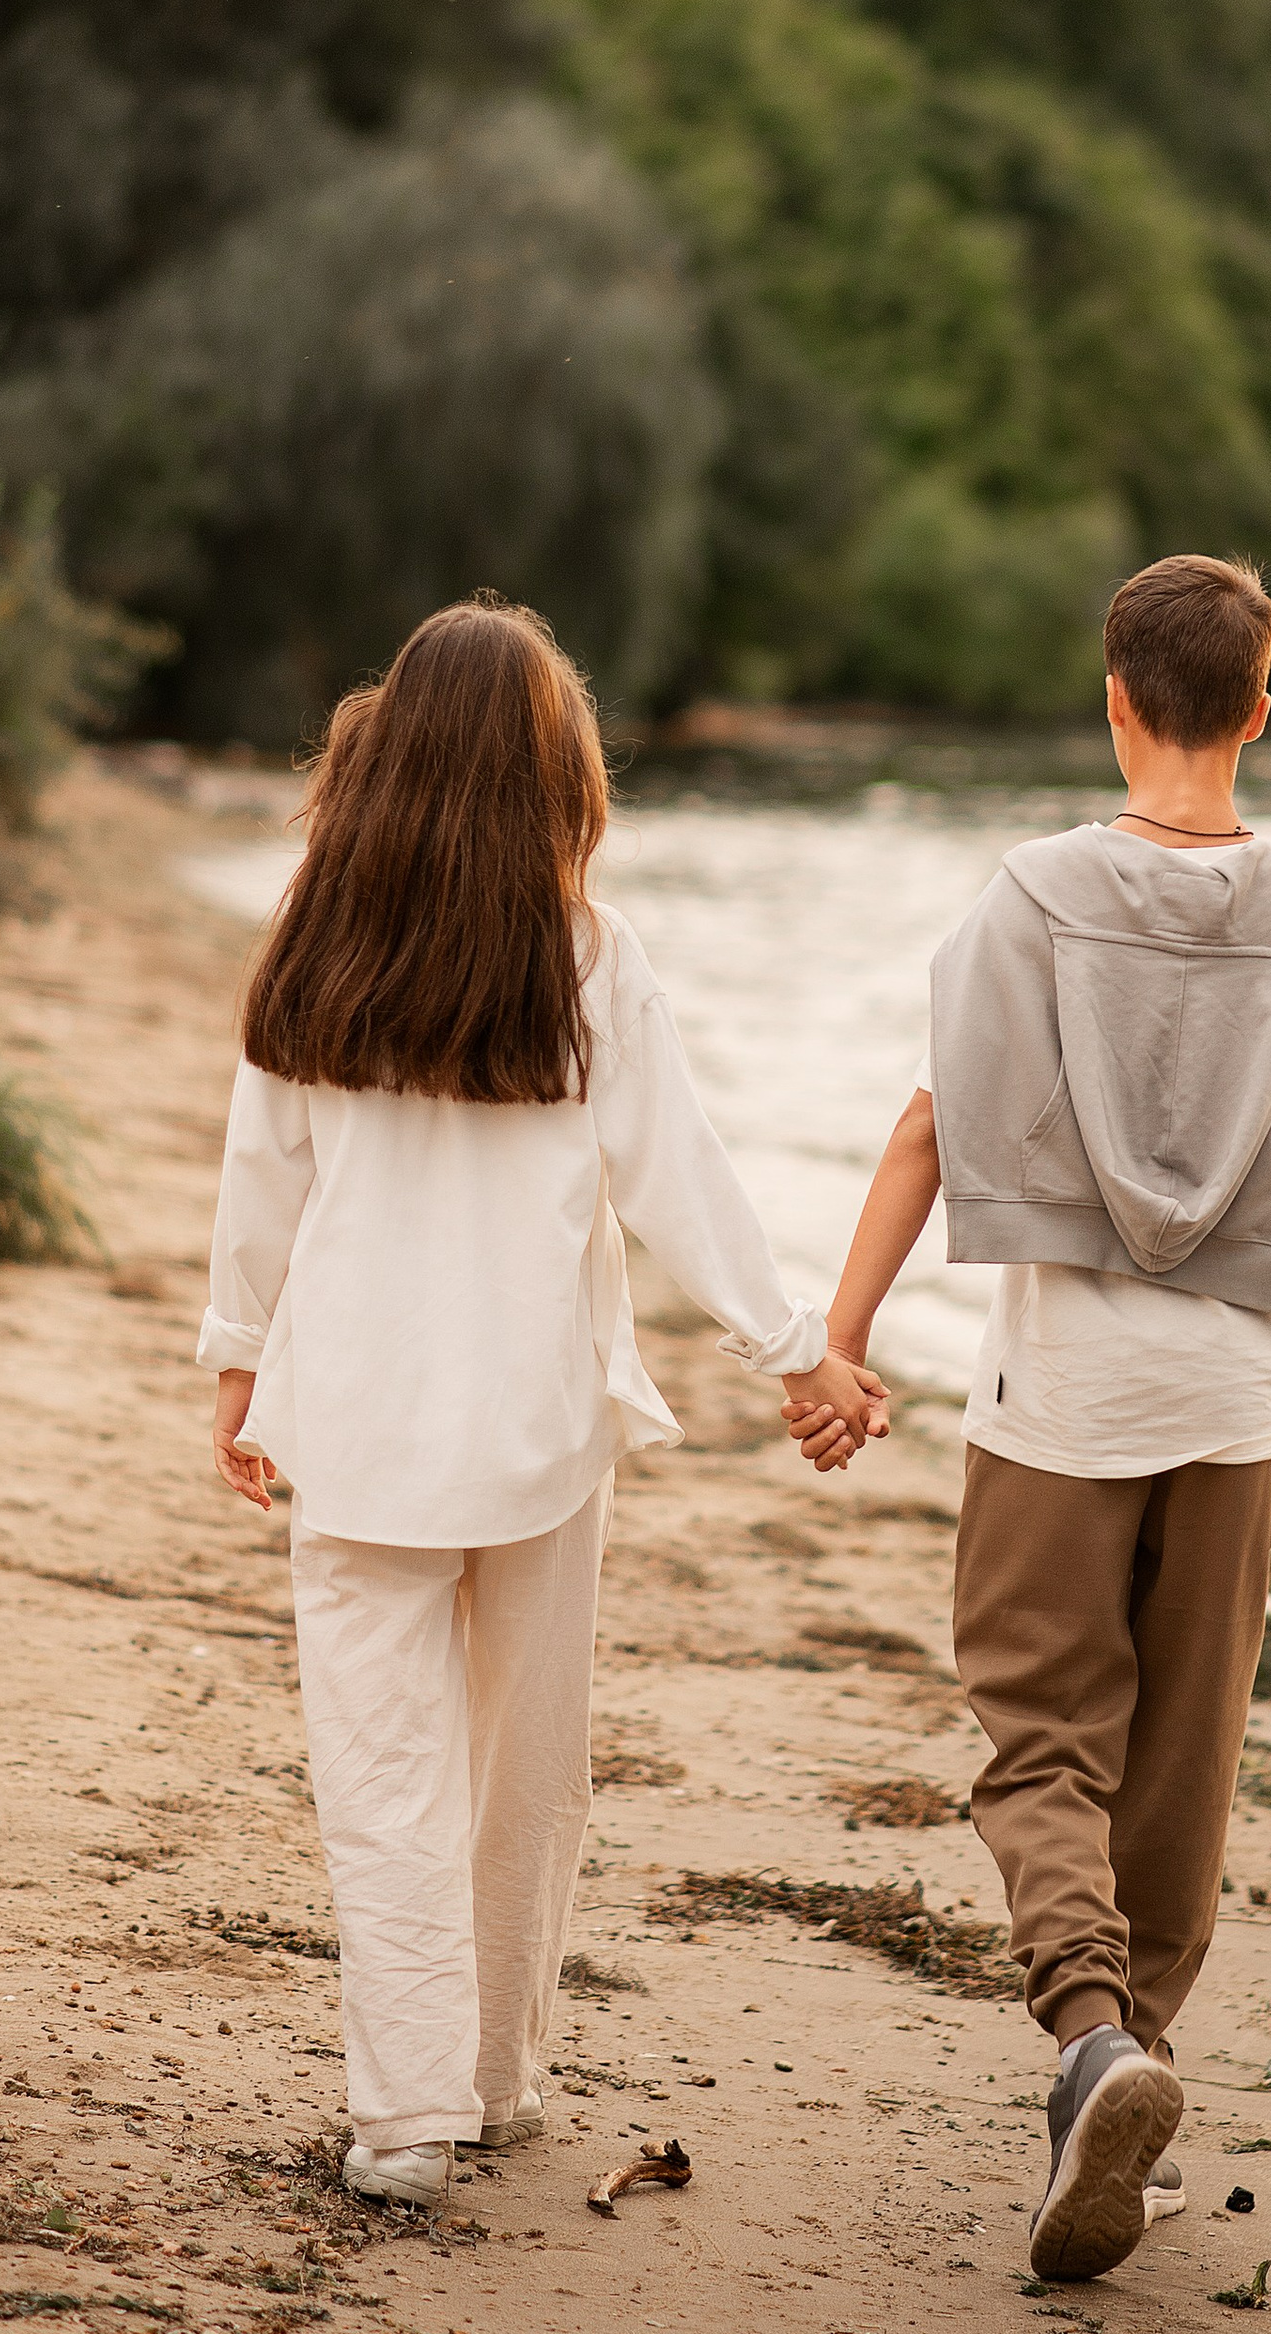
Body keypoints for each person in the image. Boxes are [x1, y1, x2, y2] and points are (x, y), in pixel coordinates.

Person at [201, 594, 881, 2214]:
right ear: (552, 772)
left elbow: (262, 1168)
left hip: (355, 1418)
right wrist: (798, 1348)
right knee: (526, 1764)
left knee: (383, 1769)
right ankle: (491, 2074)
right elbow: (681, 1183)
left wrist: (238, 1356)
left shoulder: (317, 926)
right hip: (535, 1430)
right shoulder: (585, 950)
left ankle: (409, 2114)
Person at [791, 552, 1271, 2283]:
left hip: (1064, 1391)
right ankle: (1132, 2058)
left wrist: (839, 1339)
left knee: (1042, 1727)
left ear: (1116, 702)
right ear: (1260, 710)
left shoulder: (1027, 900)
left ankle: (1090, 2046)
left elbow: (931, 1131)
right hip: (1238, 1398)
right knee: (1184, 1763)